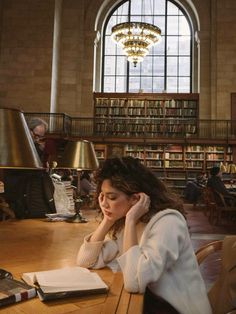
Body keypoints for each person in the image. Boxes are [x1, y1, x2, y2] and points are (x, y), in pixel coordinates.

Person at [76, 156, 212, 314]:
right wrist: (107, 220)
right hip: (150, 301)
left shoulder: (168, 223)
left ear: (136, 198)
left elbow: (134, 282)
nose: (104, 203)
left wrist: (130, 221)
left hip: (176, 308)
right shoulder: (124, 223)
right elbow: (86, 261)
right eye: (102, 196)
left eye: (112, 197)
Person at [3, 117, 56, 218]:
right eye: (36, 136)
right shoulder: (17, 146)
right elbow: (20, 172)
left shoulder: (35, 148)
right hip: (20, 194)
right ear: (27, 130)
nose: (37, 140)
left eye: (40, 137)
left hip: (33, 195)